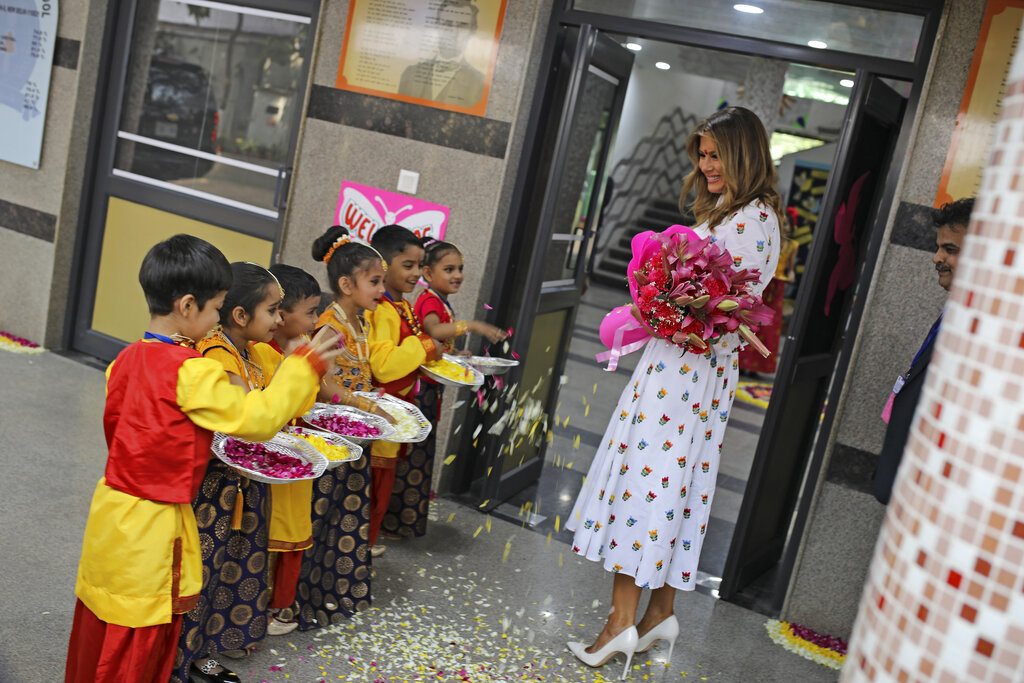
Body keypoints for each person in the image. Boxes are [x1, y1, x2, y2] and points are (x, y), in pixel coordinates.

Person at [566, 106, 781, 678]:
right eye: (702, 155)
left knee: (647, 487)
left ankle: (619, 628)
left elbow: (714, 310)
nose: (707, 166)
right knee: (674, 487)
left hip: (685, 377)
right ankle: (659, 614)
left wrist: (656, 305)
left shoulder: (748, 223)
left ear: (743, 154)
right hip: (688, 375)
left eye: (716, 155)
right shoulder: (745, 215)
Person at [65, 235, 338, 683]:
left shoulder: (127, 358)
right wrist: (302, 367)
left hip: (112, 516)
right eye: (215, 308)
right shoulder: (191, 371)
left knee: (103, 623)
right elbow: (258, 418)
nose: (216, 319)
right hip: (155, 529)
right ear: (188, 306)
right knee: (140, 638)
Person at [380, 238, 505, 539]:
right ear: (427, 272)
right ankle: (394, 522)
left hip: (429, 390)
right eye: (449, 269)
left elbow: (436, 342)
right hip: (419, 389)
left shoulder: (439, 299)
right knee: (414, 455)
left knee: (421, 454)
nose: (457, 275)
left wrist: (453, 355)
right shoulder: (429, 300)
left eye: (460, 269)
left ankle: (401, 522)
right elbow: (434, 331)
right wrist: (472, 326)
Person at [292, 226, 383, 630]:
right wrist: (357, 400)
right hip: (333, 429)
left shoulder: (358, 320)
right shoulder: (331, 325)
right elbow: (321, 383)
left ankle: (333, 585)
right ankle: (302, 592)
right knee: (323, 511)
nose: (382, 289)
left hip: (353, 428)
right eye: (375, 281)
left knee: (346, 510)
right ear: (347, 284)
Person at [873, 197, 973, 505]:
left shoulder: (983, 330)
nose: (937, 258)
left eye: (950, 250)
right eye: (939, 247)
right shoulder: (957, 309)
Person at [366, 226, 441, 552]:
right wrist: (425, 344)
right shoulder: (383, 309)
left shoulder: (402, 306)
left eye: (418, 266)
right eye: (407, 265)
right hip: (382, 410)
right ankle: (361, 547)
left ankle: (365, 545)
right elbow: (383, 365)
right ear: (383, 265)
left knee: (384, 484)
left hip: (396, 411)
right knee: (375, 485)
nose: (415, 274)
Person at [739, 206, 798, 375]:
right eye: (783, 224)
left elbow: (791, 267)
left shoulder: (793, 245)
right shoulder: (771, 240)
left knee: (769, 325)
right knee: (751, 319)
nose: (785, 227)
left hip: (777, 285)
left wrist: (791, 273)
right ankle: (744, 362)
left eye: (787, 225)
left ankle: (757, 366)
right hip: (765, 281)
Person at [397, 0, 485, 109]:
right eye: (447, 24)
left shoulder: (480, 84)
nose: (453, 32)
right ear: (437, 27)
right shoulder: (409, 74)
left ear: (472, 31)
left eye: (462, 26)